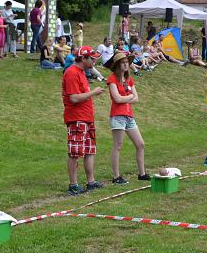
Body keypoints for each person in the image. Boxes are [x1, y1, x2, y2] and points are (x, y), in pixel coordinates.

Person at [62, 46, 105, 195]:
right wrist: (93, 92)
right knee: (75, 153)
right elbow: (73, 98)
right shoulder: (72, 73)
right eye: (92, 58)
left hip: (86, 118)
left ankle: (90, 182)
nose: (94, 61)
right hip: (76, 118)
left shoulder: (81, 72)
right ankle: (73, 185)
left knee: (89, 150)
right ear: (84, 58)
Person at [106, 52, 149, 184]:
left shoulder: (129, 79)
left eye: (127, 62)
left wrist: (127, 98)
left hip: (129, 116)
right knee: (118, 145)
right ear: (118, 65)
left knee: (140, 144)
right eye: (123, 62)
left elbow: (137, 98)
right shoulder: (112, 79)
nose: (126, 64)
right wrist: (129, 97)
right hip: (118, 116)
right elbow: (117, 99)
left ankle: (142, 173)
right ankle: (116, 176)